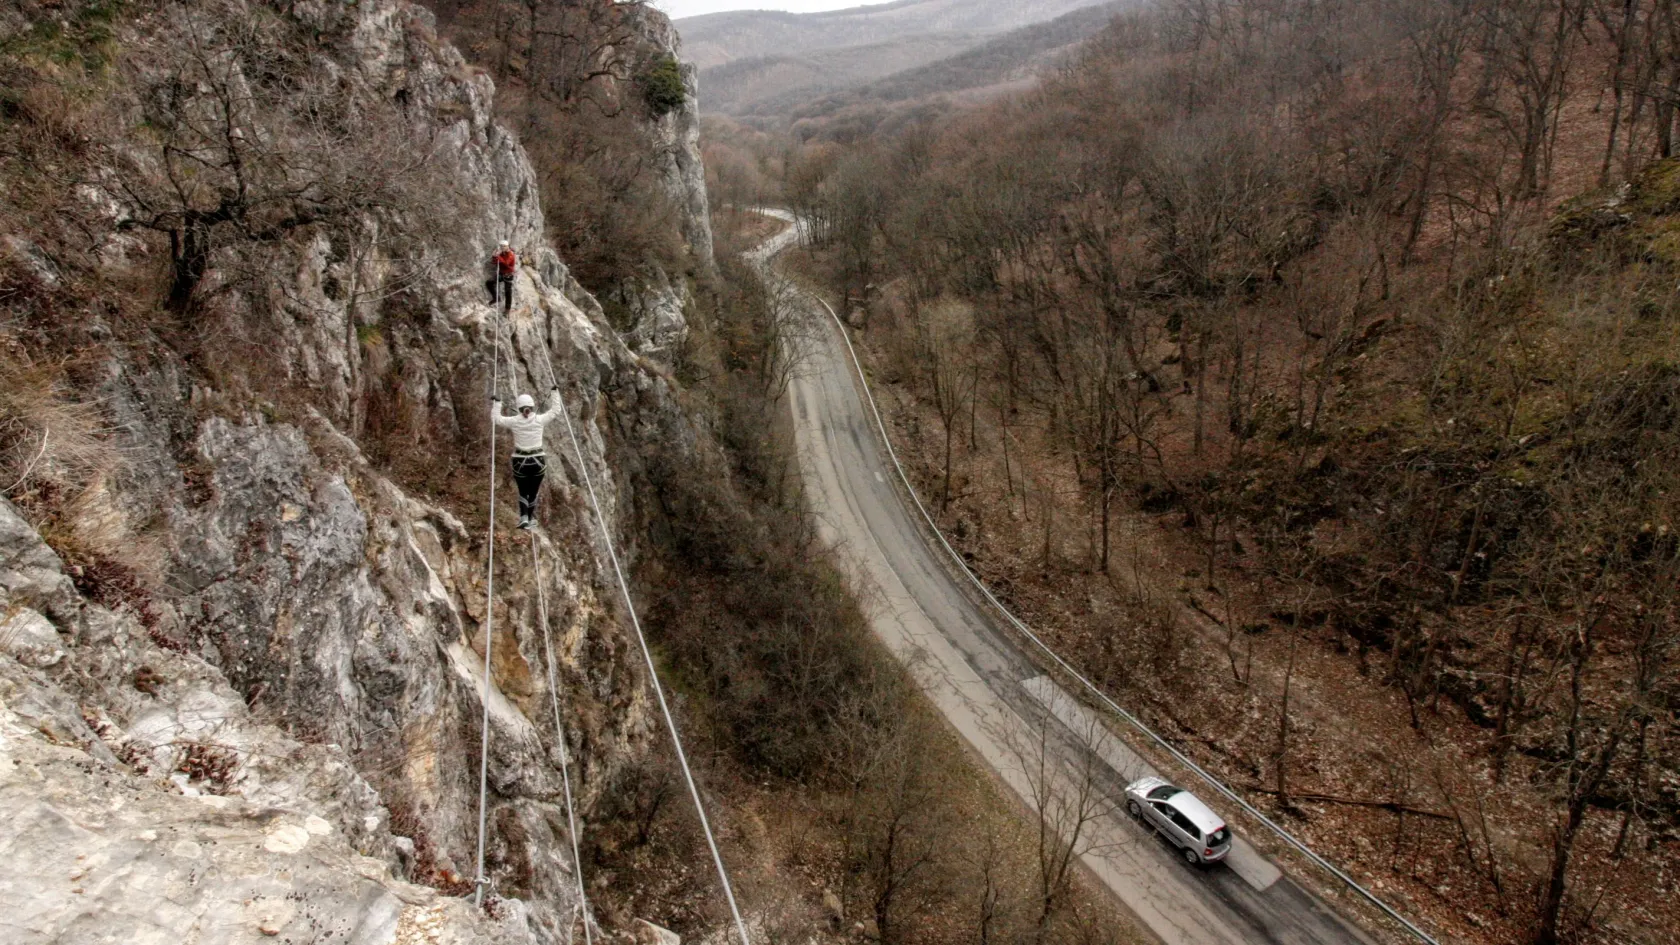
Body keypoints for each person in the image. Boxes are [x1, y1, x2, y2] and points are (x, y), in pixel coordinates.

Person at [491, 387, 561, 529]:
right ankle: (529, 518)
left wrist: (497, 403)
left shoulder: (514, 421)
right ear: (532, 406)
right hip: (538, 461)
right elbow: (555, 410)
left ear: (519, 407)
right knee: (533, 491)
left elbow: (496, 419)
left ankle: (523, 517)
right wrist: (554, 393)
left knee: (523, 490)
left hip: (520, 461)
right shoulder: (539, 419)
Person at [487, 240, 517, 314]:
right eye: (501, 246)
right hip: (502, 274)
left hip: (508, 276)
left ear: (507, 246)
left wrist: (498, 257)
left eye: (504, 246)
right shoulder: (502, 254)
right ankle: (496, 298)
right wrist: (494, 257)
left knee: (508, 292)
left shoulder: (511, 254)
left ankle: (507, 309)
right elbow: (495, 262)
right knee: (489, 283)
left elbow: (506, 263)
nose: (502, 247)